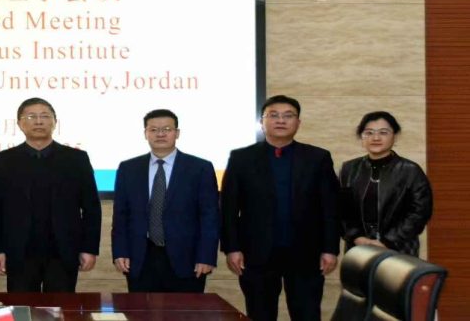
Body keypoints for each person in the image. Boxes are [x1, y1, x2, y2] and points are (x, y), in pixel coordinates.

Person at [221, 95, 339, 321]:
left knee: (307, 314)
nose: (281, 120)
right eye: (273, 115)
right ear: (262, 122)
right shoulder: (241, 158)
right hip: (256, 254)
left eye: (288, 115)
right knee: (260, 314)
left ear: (298, 122)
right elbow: (228, 208)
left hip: (306, 253)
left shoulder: (318, 158)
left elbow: (330, 207)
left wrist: (330, 248)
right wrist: (232, 248)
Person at [0, 97, 101, 292]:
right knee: (22, 306)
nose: (38, 121)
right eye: (31, 117)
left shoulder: (76, 159)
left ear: (55, 122)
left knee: (61, 307)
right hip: (19, 252)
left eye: (45, 116)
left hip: (63, 251)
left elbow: (91, 207)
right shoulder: (3, 160)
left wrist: (89, 248)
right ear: (20, 124)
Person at [112, 109, 220, 292]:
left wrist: (206, 256)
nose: (160, 134)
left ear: (177, 133)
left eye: (167, 129)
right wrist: (120, 251)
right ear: (145, 133)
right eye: (153, 129)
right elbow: (120, 216)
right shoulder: (128, 168)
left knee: (185, 309)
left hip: (187, 259)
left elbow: (210, 216)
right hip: (141, 258)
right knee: (141, 308)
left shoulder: (200, 168)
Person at [339, 111, 432, 256]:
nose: (375, 138)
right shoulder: (349, 169)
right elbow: (341, 208)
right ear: (362, 137)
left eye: (383, 132)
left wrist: (388, 241)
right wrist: (356, 237)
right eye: (369, 133)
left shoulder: (410, 170)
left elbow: (420, 212)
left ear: (395, 136)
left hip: (399, 248)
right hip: (358, 248)